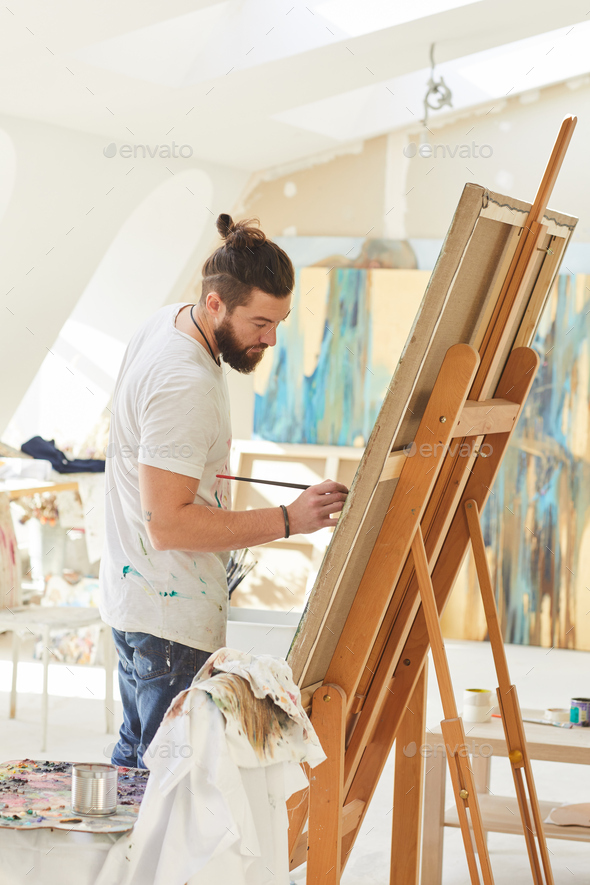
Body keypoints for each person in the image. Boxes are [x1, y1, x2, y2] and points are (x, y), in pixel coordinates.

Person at [99, 213, 348, 768]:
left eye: (279, 322)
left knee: (139, 764)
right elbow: (168, 524)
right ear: (215, 304)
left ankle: (120, 857)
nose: (271, 338)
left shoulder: (169, 321)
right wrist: (288, 519)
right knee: (170, 785)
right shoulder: (182, 381)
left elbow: (157, 468)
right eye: (260, 322)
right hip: (168, 616)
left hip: (138, 598)